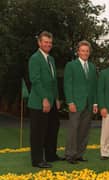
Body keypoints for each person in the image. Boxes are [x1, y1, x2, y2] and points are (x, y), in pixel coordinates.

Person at [28, 31, 62, 168]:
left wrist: (57, 98)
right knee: (38, 132)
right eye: (45, 42)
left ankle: (50, 155)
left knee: (53, 128)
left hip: (52, 101)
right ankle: (37, 160)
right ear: (39, 43)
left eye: (50, 42)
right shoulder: (35, 58)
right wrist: (45, 99)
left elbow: (54, 82)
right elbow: (35, 81)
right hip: (39, 102)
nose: (48, 44)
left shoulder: (51, 59)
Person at [64, 40, 98, 164]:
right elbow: (67, 85)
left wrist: (95, 103)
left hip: (88, 104)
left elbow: (94, 86)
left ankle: (79, 154)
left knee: (84, 130)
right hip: (76, 103)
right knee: (73, 130)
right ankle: (70, 155)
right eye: (82, 50)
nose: (85, 53)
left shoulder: (93, 67)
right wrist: (70, 102)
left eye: (87, 51)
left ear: (89, 53)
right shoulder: (71, 65)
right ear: (78, 52)